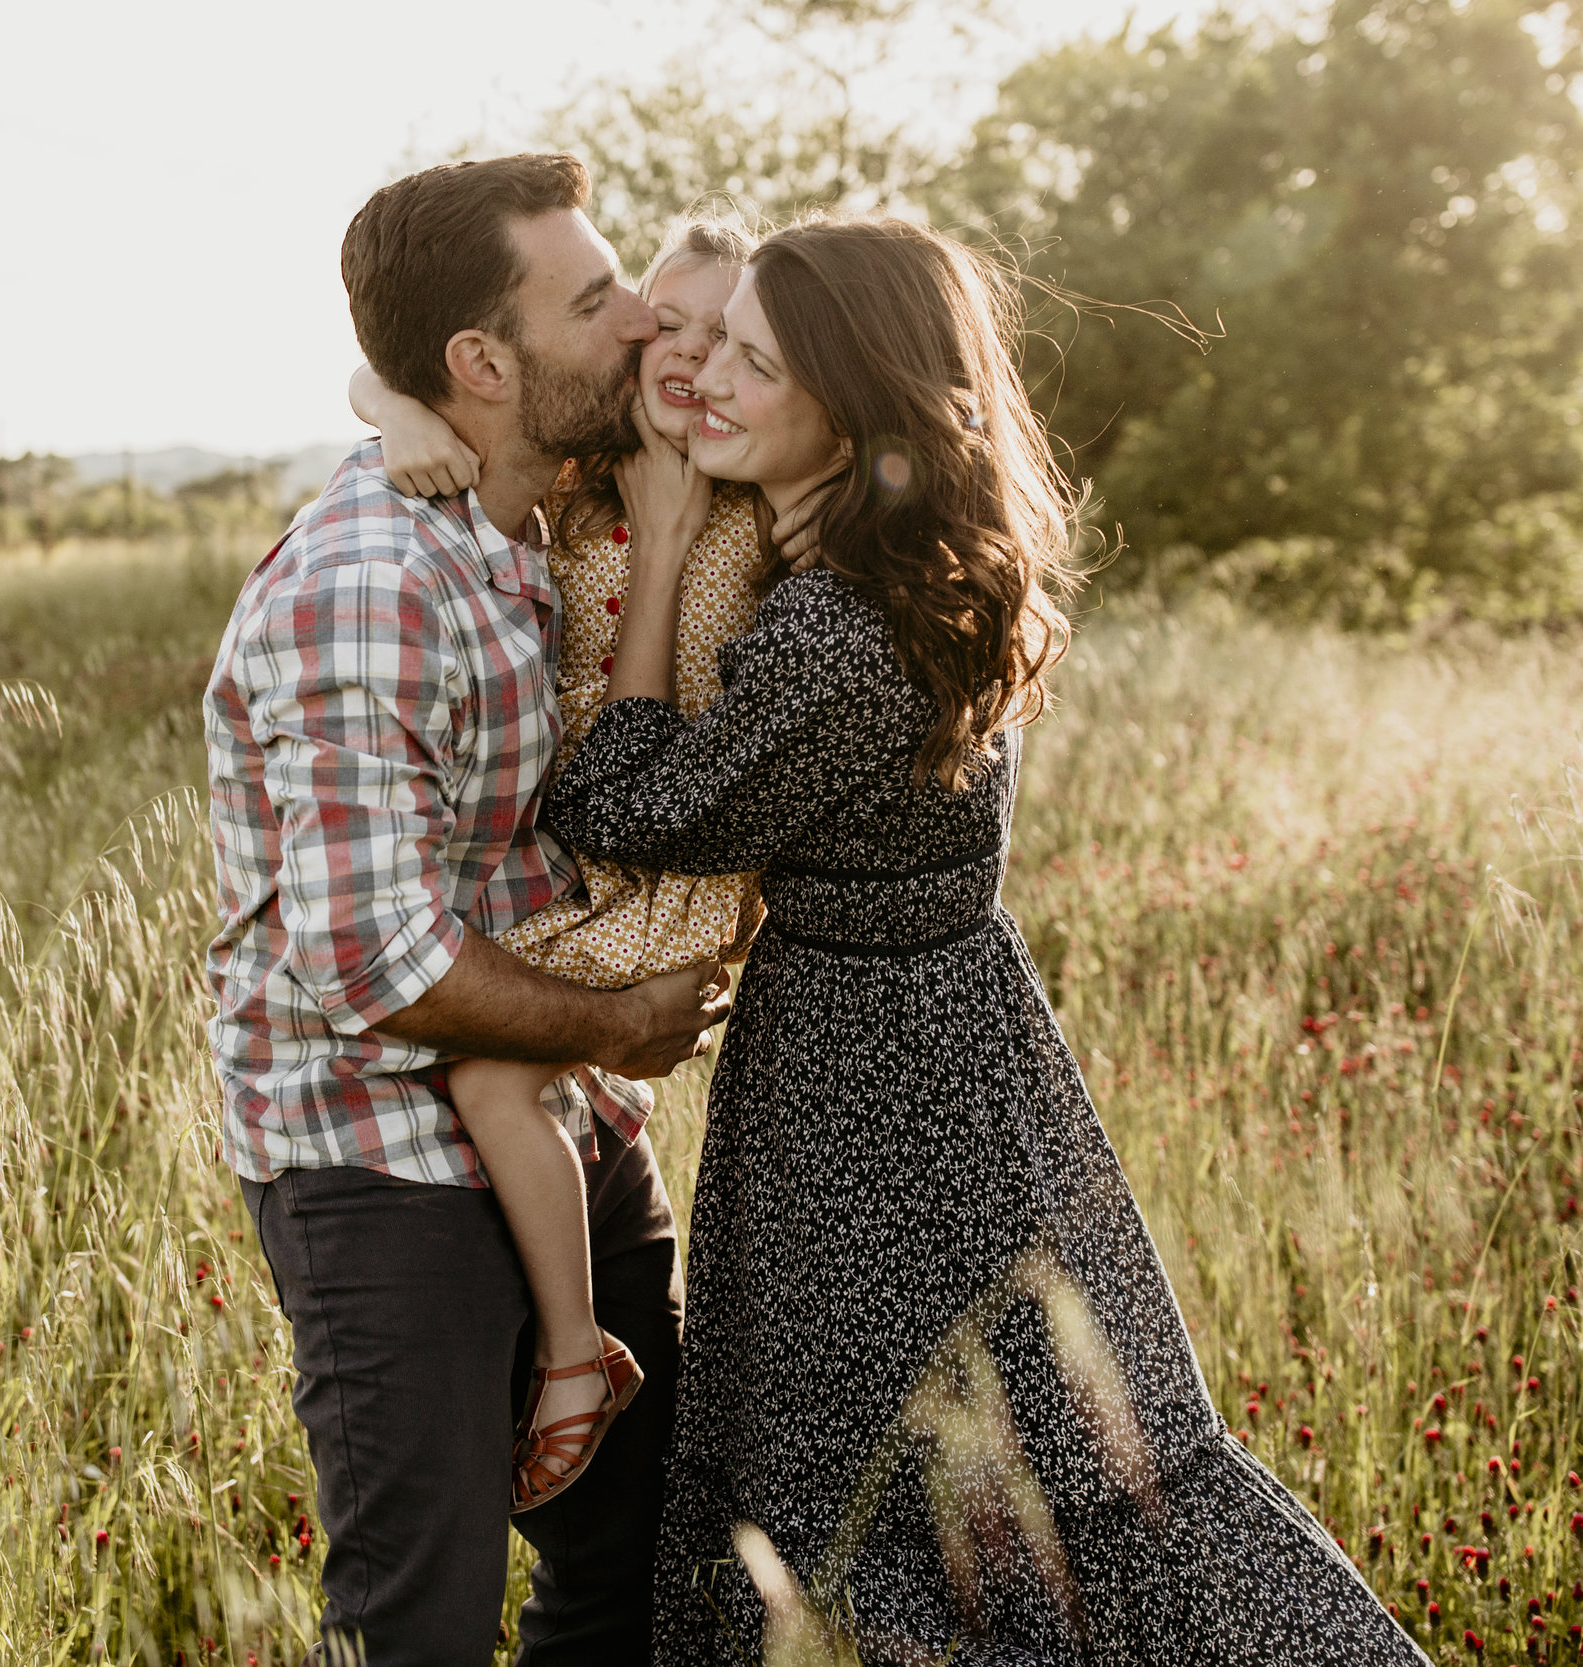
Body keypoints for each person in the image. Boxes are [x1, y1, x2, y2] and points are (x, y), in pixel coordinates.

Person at [541, 213, 1429, 1662]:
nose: (717, 380)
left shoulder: (840, 630)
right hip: (953, 1049)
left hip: (865, 1088)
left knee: (871, 1487)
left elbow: (625, 803)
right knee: (1027, 1463)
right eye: (719, 344)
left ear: (854, 400)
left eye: (758, 362)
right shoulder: (909, 568)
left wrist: (663, 558)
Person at [201, 153, 732, 1665]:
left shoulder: (541, 501)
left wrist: (395, 402)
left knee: (636, 1569)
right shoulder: (371, 583)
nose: (639, 320)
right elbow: (374, 963)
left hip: (560, 1120)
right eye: (596, 298)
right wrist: (618, 1022)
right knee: (418, 1620)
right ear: (485, 366)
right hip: (379, 1152)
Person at [346, 214, 802, 1514]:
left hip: (675, 873)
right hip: (597, 864)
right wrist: (393, 408)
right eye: (673, 316)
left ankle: (571, 1357)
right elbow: (410, 374)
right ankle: (567, 1347)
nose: (695, 354)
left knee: (492, 1067)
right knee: (490, 1061)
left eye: (732, 338)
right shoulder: (577, 484)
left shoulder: (756, 508)